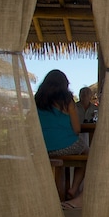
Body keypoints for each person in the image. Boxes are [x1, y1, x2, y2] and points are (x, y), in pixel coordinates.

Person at [35, 70, 87, 209]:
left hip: (41, 147)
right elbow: (77, 129)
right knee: (88, 154)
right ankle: (74, 188)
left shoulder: (37, 100)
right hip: (65, 145)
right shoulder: (67, 101)